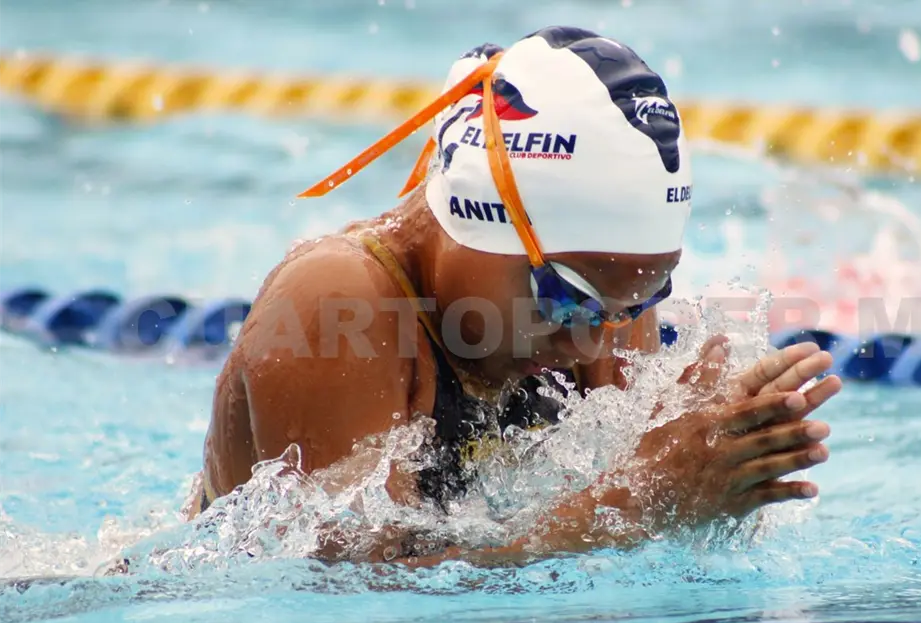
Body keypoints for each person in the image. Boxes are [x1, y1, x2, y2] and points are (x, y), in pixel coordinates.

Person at [186, 26, 841, 567]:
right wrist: (631, 503)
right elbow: (341, 595)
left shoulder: (601, 313)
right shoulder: (335, 305)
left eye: (636, 303)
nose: (591, 340)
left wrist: (709, 476)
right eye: (567, 298)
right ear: (485, 221)